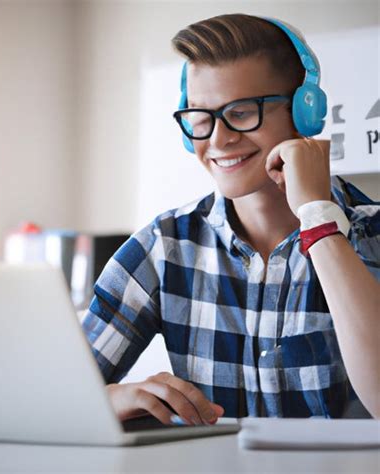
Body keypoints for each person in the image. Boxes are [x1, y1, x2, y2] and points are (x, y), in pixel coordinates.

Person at [81, 13, 380, 423]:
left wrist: (318, 218)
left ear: (304, 110)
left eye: (241, 113)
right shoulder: (164, 246)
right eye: (201, 118)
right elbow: (57, 396)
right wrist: (110, 399)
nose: (218, 140)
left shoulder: (372, 233)